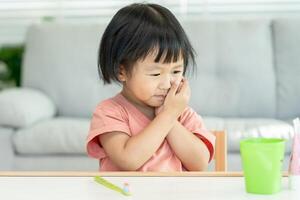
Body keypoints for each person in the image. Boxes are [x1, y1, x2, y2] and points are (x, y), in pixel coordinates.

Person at [86, 3, 215, 171]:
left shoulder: (182, 114)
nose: (168, 83)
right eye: (155, 74)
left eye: (176, 71)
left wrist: (172, 116)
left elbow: (200, 163)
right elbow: (128, 160)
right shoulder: (110, 112)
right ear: (122, 71)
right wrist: (167, 116)